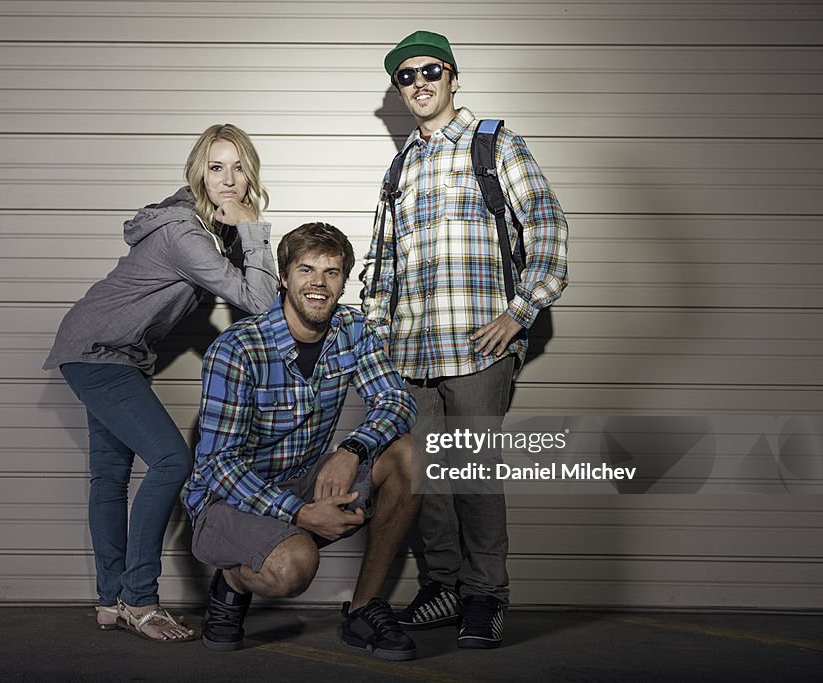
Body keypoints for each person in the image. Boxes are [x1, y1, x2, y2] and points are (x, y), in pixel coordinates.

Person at [360, 31, 569, 649]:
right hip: (410, 353)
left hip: (477, 349)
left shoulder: (494, 143)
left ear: (452, 77)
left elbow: (549, 229)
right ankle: (443, 587)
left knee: (475, 475)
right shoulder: (400, 167)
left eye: (431, 71)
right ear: (399, 90)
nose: (419, 83)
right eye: (406, 77)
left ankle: (484, 596)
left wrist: (520, 311)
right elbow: (381, 264)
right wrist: (377, 338)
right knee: (422, 481)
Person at [43, 123, 279, 641]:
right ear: (199, 172)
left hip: (106, 352)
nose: (229, 180)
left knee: (109, 475)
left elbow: (244, 308)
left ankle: (111, 602)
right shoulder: (185, 233)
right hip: (99, 354)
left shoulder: (203, 229)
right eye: (216, 167)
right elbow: (260, 302)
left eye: (238, 168)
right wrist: (255, 228)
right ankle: (141, 599)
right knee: (173, 460)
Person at [183, 222, 421, 660]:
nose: (318, 282)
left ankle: (364, 609)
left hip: (302, 480)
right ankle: (231, 584)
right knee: (296, 566)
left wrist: (352, 450)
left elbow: (397, 402)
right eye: (306, 269)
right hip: (226, 503)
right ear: (285, 277)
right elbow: (218, 464)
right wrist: (300, 513)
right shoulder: (238, 349)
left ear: (343, 281)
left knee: (407, 453)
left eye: (331, 272)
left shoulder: (353, 330)